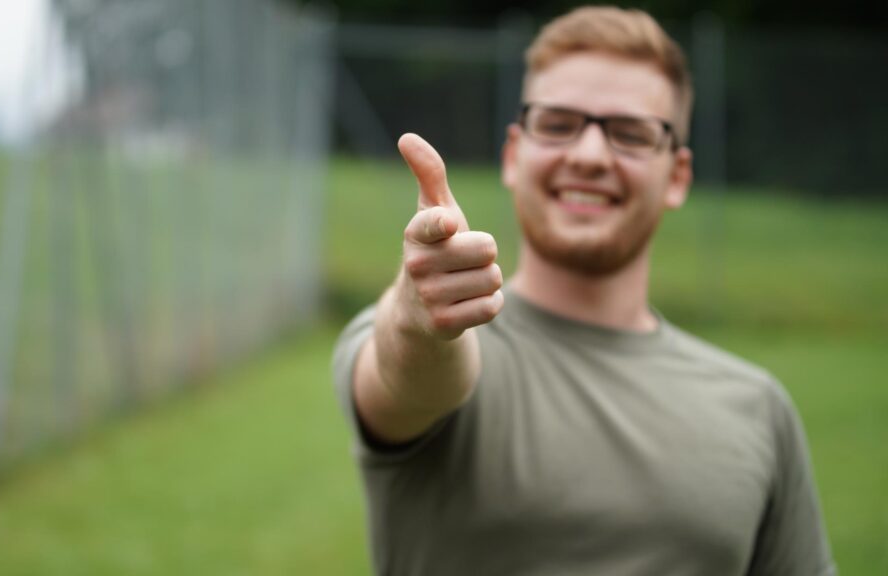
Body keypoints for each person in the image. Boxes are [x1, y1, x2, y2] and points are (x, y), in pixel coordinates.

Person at [332, 5, 836, 576]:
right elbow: (408, 373)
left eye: (631, 134)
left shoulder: (759, 410)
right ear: (513, 155)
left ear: (677, 176)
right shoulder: (438, 341)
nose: (590, 156)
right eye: (558, 124)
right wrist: (420, 317)